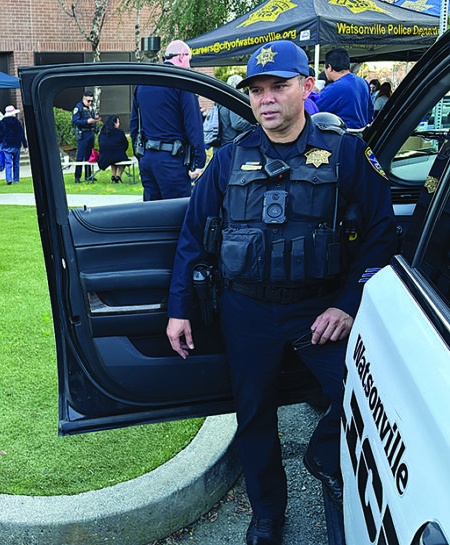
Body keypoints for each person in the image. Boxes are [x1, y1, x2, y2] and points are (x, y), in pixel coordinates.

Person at [166, 41, 397, 545]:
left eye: (280, 86)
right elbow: (193, 236)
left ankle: (323, 453)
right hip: (247, 309)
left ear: (307, 87)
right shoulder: (228, 159)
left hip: (321, 306)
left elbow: (382, 235)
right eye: (257, 90)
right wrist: (178, 309)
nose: (267, 98)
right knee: (253, 417)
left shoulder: (347, 152)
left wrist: (347, 304)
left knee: (363, 401)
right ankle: (267, 514)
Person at [130, 40, 206, 201]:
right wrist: (199, 161)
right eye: (189, 61)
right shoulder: (182, 81)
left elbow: (135, 124)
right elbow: (193, 125)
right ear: (182, 56)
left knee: (152, 217)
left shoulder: (143, 84)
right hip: (172, 161)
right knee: (176, 216)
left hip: (148, 159)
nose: (189, 67)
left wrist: (141, 156)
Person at [315, 48, 374, 129]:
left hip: (343, 137)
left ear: (329, 67)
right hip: (361, 135)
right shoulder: (363, 82)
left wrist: (313, 92)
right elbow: (370, 111)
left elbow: (313, 110)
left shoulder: (334, 88)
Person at [214, 75, 254, 149]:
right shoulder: (234, 100)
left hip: (220, 142)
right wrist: (254, 122)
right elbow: (237, 124)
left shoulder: (221, 99)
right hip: (230, 144)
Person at [72, 90, 100, 183]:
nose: (90, 103)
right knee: (80, 156)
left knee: (89, 156)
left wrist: (98, 131)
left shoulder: (90, 108)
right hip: (83, 134)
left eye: (91, 101)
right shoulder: (78, 107)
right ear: (83, 99)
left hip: (91, 133)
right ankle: (77, 177)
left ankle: (88, 175)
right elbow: (75, 121)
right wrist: (86, 122)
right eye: (88, 101)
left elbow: (93, 121)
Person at [0, 104, 28, 185]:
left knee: (8, 163)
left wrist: (2, 142)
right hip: (16, 145)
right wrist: (25, 145)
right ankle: (16, 179)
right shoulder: (17, 122)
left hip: (6, 145)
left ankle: (9, 178)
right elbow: (21, 134)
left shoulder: (2, 122)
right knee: (16, 163)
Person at [97, 114, 129, 182]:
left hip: (104, 157)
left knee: (112, 157)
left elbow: (100, 145)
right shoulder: (119, 132)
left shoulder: (102, 133)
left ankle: (113, 175)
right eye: (117, 122)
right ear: (114, 123)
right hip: (118, 156)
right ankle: (118, 176)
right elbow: (125, 144)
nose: (119, 124)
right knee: (119, 157)